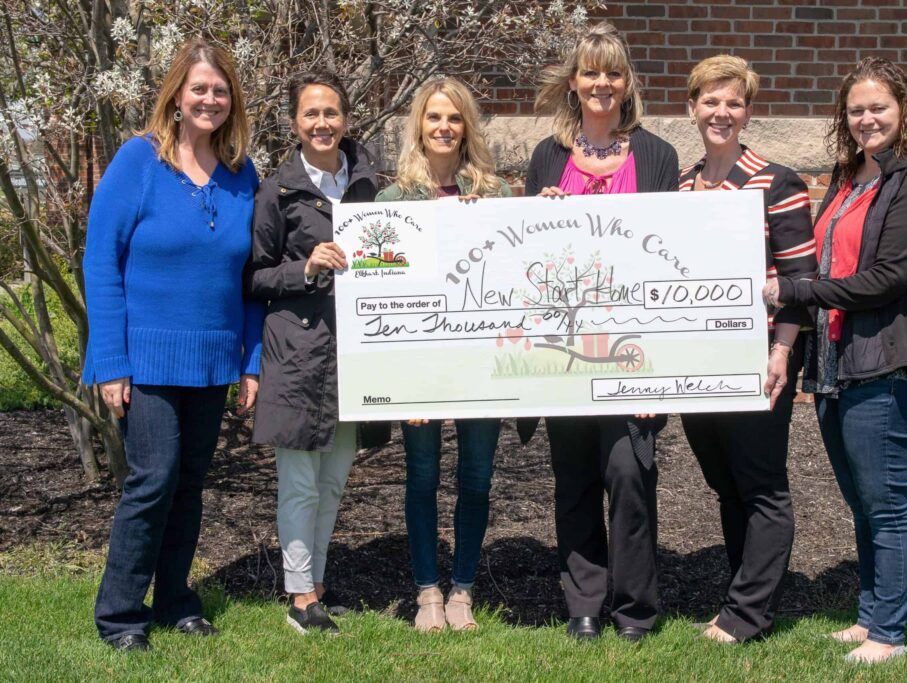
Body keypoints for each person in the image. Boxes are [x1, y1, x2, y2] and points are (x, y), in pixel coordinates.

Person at [763, 57, 907, 664]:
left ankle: (890, 635)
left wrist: (797, 292)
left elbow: (887, 278)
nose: (867, 119)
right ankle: (871, 615)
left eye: (879, 107)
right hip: (838, 363)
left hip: (887, 363)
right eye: (856, 110)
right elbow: (825, 259)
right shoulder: (849, 179)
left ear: (904, 110)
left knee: (887, 502)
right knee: (861, 499)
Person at [84, 38, 262, 651]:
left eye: (220, 90)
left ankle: (176, 599)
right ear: (177, 97)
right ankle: (120, 614)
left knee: (189, 482)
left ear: (231, 99)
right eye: (199, 90)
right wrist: (110, 360)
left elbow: (250, 278)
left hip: (213, 357)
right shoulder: (139, 161)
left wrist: (251, 359)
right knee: (153, 480)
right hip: (148, 358)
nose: (210, 99)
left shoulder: (243, 175)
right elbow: (100, 261)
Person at [524, 22, 678, 642]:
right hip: (563, 351)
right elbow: (526, 260)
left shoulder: (656, 155)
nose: (602, 83)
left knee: (629, 475)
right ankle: (584, 603)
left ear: (626, 82)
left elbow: (669, 254)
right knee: (575, 479)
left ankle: (635, 608)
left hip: (633, 350)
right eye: (591, 72)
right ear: (573, 82)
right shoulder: (547, 157)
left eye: (612, 72)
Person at [676, 55, 817, 644]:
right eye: (711, 101)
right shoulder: (680, 186)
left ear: (749, 111)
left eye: (734, 102)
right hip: (696, 362)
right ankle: (745, 591)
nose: (722, 112)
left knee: (760, 483)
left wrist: (780, 353)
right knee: (724, 481)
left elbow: (801, 281)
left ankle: (747, 613)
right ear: (692, 109)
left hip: (758, 355)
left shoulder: (777, 183)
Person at [244, 70, 378, 635]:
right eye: (310, 114)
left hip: (355, 355)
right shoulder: (278, 190)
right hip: (298, 354)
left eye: (331, 113)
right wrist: (304, 268)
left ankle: (317, 584)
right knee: (299, 482)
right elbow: (254, 275)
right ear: (294, 123)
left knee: (333, 482)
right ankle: (300, 597)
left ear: (346, 119)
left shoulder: (370, 185)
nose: (322, 123)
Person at [376, 78, 511, 632]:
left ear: (467, 127)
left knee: (476, 477)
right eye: (433, 117)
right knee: (423, 476)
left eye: (454, 118)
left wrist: (491, 223)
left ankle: (463, 590)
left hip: (483, 362)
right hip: (420, 365)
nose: (444, 127)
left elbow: (515, 276)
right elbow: (380, 292)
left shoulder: (495, 194)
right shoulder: (392, 201)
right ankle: (427, 590)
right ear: (419, 125)